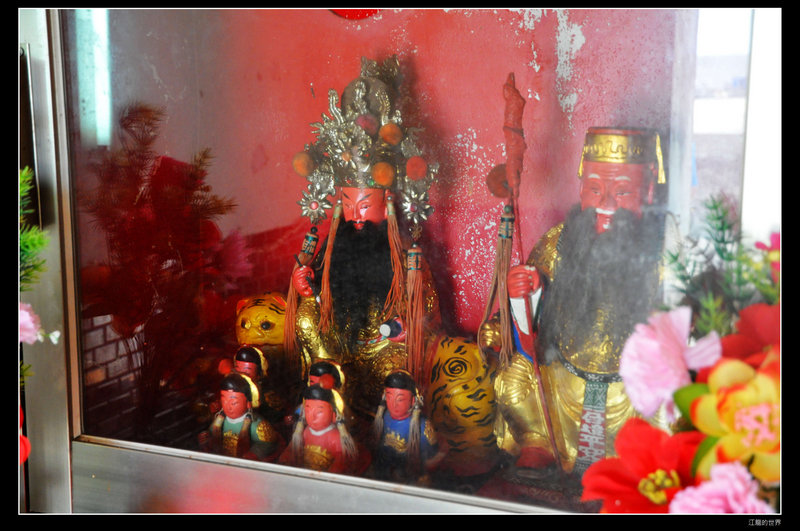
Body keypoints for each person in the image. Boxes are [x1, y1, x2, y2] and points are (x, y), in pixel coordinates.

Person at [480, 127, 674, 482]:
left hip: (630, 394)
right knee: (512, 378)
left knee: (673, 395)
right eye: (595, 189)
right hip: (560, 386)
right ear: (581, 187)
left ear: (648, 191)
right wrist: (527, 294)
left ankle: (642, 457)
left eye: (622, 191)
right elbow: (525, 330)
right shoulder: (558, 243)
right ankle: (538, 441)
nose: (606, 203)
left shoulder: (665, 251)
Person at [287, 55, 441, 421]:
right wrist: (305, 288)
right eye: (347, 204)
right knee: (306, 319)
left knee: (400, 364)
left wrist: (408, 325)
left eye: (365, 205)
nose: (355, 215)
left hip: (384, 347)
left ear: (387, 205)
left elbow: (427, 305)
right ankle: (326, 396)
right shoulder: (334, 246)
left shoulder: (404, 255)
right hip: (339, 345)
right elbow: (316, 298)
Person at [370, 370, 444, 484]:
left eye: (400, 399)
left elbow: (431, 461)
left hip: (409, 478)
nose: (394, 404)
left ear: (413, 400)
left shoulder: (422, 427)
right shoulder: (383, 418)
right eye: (389, 397)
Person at [279, 384, 367, 475]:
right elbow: (293, 450)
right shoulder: (306, 432)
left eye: (319, 412)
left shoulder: (335, 438)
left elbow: (341, 462)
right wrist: (286, 458)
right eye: (308, 411)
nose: (312, 417)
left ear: (333, 415)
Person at [198, 372, 283, 461]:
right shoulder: (219, 421)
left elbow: (267, 443)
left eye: (234, 403)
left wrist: (254, 453)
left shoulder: (257, 425)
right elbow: (211, 436)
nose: (228, 406)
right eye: (224, 401)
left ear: (248, 403)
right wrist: (205, 440)